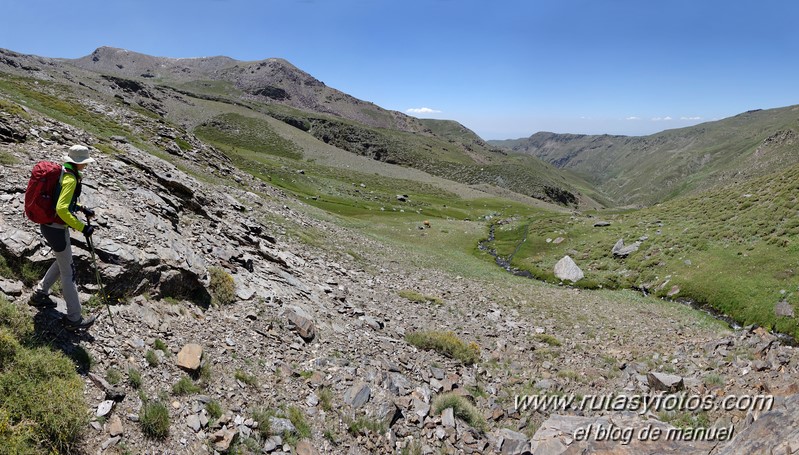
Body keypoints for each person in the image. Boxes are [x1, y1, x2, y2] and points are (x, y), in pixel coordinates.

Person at [29, 144, 98, 330]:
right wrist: (83, 228)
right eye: (85, 162)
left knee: (63, 261)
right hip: (57, 228)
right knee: (69, 273)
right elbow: (61, 208)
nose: (87, 165)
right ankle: (74, 319)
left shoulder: (64, 172)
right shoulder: (70, 179)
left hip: (50, 226)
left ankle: (39, 294)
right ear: (78, 163)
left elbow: (63, 200)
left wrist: (82, 208)